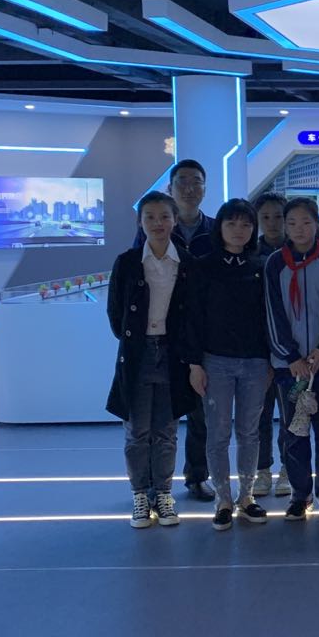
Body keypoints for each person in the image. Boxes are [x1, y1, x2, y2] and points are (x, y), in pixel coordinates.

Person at [107, 191, 196, 528]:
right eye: (150, 217)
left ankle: (164, 493)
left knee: (167, 431)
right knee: (137, 430)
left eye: (164, 216)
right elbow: (116, 314)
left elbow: (193, 314)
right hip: (139, 354)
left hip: (173, 355)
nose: (158, 223)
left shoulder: (186, 262)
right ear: (140, 222)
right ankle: (140, 495)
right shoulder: (128, 262)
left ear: (175, 220)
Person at [185, 199, 271, 531]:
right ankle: (223, 500)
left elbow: (268, 319)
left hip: (255, 362)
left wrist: (270, 362)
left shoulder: (262, 266)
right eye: (231, 223)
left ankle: (246, 497)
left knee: (249, 431)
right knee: (218, 433)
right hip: (215, 361)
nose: (239, 230)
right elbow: (193, 317)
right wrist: (194, 363)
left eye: (246, 224)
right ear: (219, 227)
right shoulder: (203, 266)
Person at [133, 158, 216, 501]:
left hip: (200, 335)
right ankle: (154, 484)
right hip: (160, 337)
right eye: (182, 181)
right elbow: (135, 281)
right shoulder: (154, 228)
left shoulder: (216, 229)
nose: (189, 188)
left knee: (200, 413)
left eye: (196, 181)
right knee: (158, 416)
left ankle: (197, 476)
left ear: (205, 188)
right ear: (170, 187)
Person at [265, 195, 319, 519]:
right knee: (294, 431)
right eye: (292, 223)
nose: (299, 229)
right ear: (285, 227)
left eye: (306, 222)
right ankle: (300, 494)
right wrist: (291, 357)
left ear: (317, 224)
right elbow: (273, 313)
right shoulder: (275, 263)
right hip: (291, 368)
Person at [251, 191, 292, 498]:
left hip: (292, 352)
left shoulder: (298, 252)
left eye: (278, 216)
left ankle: (289, 470)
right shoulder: (249, 253)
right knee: (260, 416)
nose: (273, 223)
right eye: (265, 217)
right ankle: (262, 470)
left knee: (292, 416)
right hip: (258, 350)